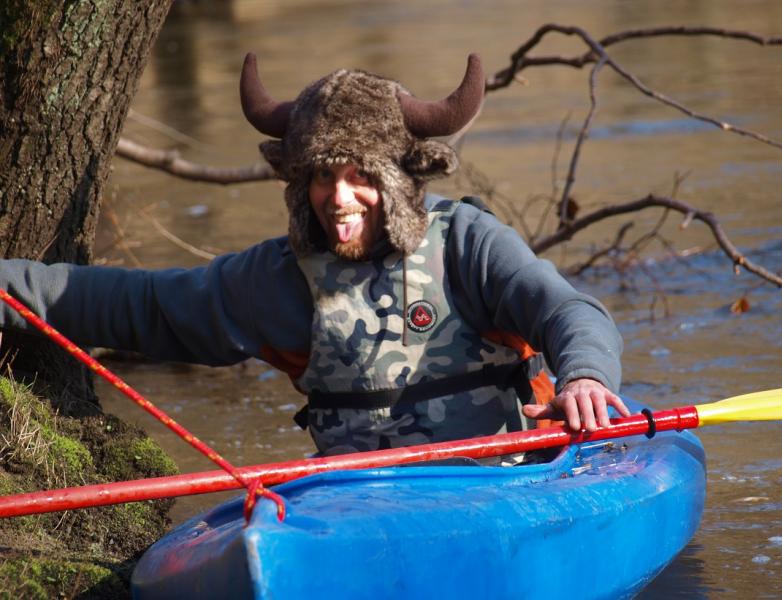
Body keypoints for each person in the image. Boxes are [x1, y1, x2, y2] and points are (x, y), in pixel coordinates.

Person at [0, 53, 628, 457]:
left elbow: (568, 311)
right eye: (321, 177)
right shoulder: (278, 279)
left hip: (505, 484)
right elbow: (136, 307)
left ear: (402, 176)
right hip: (354, 504)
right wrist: (9, 289)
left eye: (361, 175)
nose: (338, 197)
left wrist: (587, 377)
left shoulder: (467, 243)